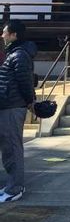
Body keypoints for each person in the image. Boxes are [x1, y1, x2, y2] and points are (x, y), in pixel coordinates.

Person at [0, 20, 37, 203]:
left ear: (14, 35)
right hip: (8, 104)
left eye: (5, 32)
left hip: (13, 106)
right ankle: (10, 185)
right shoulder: (14, 54)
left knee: (13, 147)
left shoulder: (19, 55)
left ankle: (15, 188)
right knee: (8, 147)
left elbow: (25, 81)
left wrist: (31, 101)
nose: (3, 35)